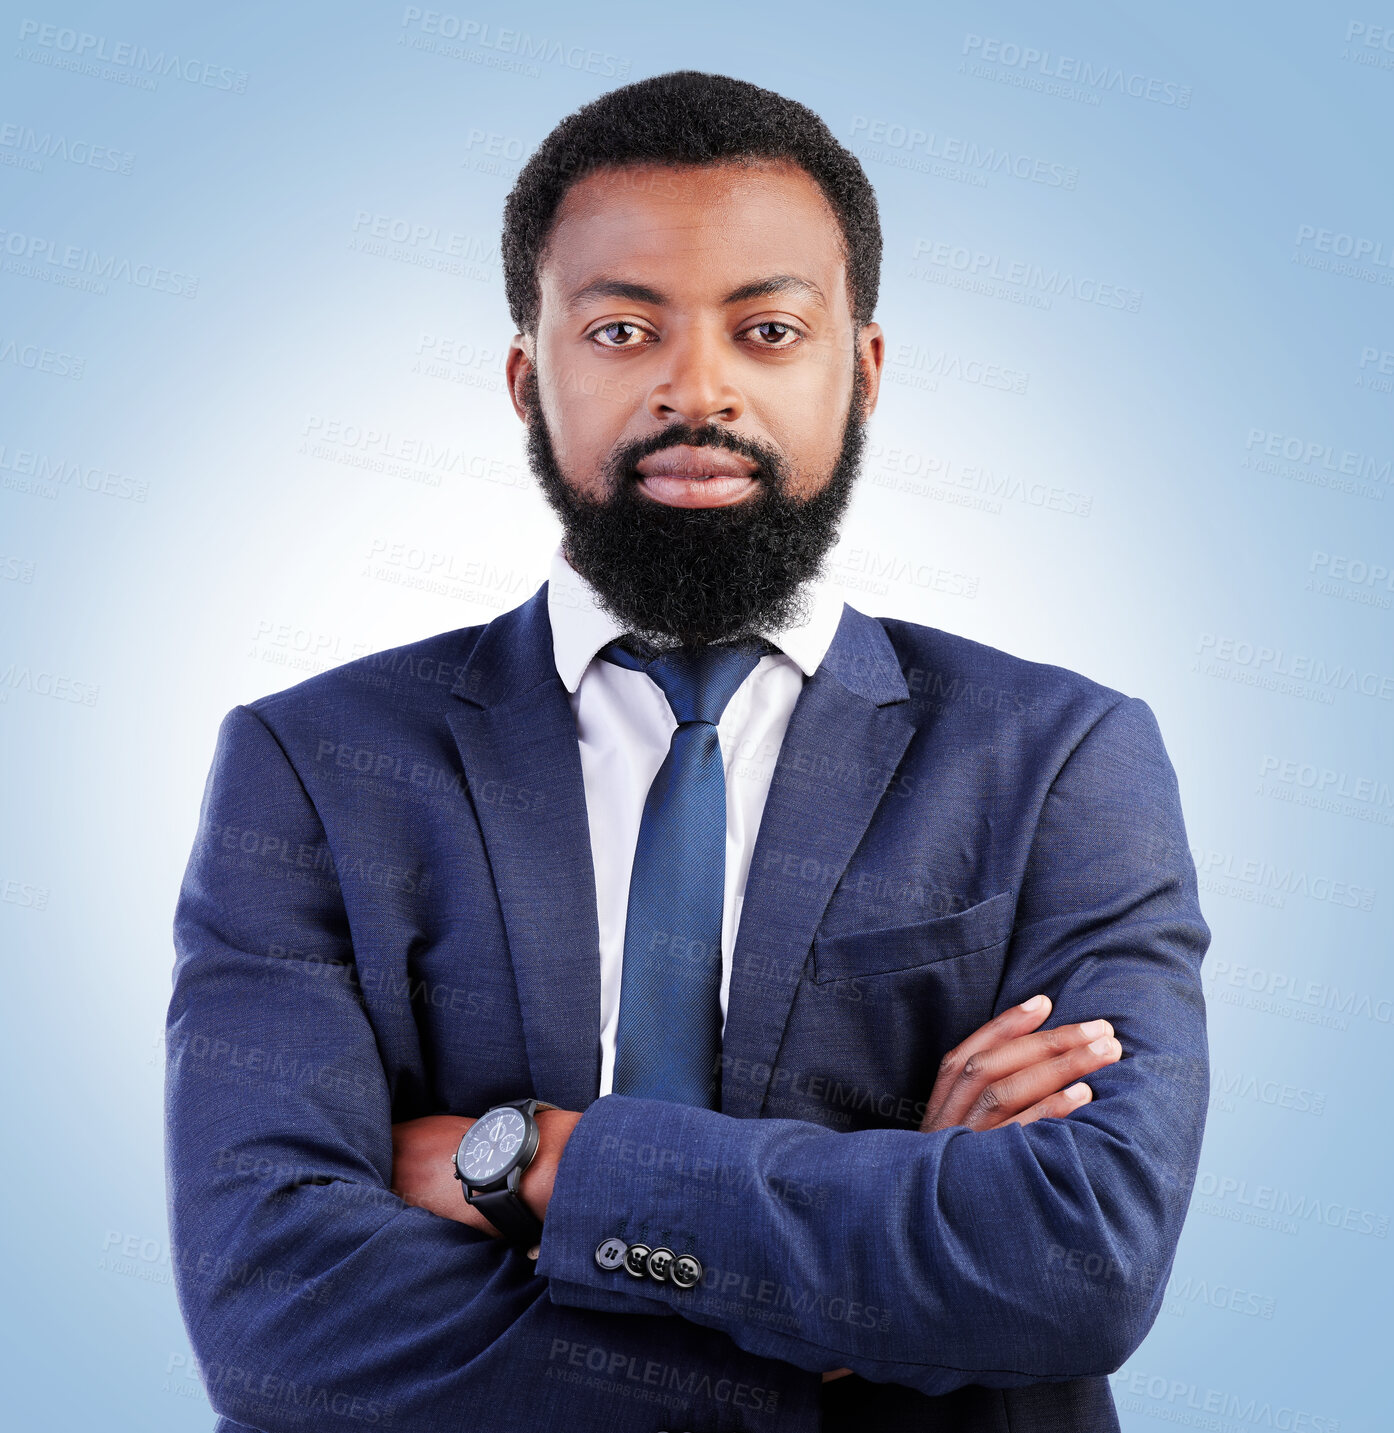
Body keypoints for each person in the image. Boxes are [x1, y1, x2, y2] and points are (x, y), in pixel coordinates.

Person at [166, 71, 1210, 1433]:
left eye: (768, 328)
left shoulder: (1062, 757)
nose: (696, 386)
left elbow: (1076, 1264)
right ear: (527, 376)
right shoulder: (308, 765)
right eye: (620, 328)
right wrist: (866, 1317)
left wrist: (546, 1164)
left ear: (862, 369)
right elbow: (274, 1308)